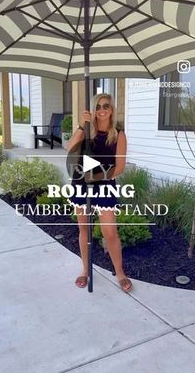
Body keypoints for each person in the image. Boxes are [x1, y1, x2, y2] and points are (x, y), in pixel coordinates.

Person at [66, 93, 133, 293]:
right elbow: (70, 150)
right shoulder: (87, 130)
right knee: (84, 229)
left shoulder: (118, 134)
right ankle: (85, 270)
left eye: (106, 106)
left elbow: (119, 167)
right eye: (98, 106)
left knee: (110, 233)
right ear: (93, 110)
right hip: (81, 183)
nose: (102, 110)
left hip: (104, 184)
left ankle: (119, 272)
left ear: (111, 109)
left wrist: (96, 176)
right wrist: (81, 126)